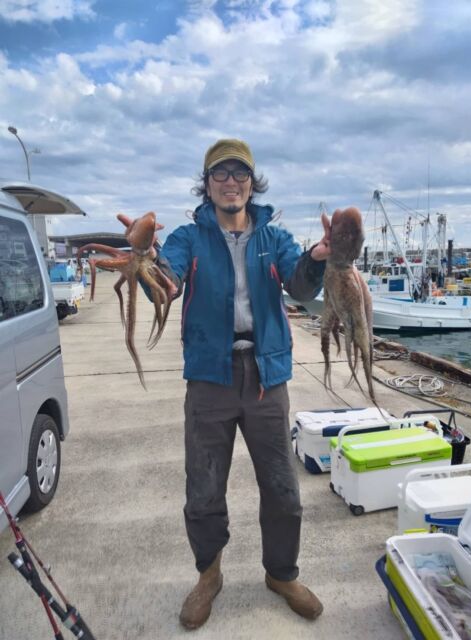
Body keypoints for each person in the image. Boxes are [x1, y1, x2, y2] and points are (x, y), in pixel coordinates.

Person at [147, 139, 333, 630]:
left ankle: (281, 574)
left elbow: (301, 286)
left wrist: (318, 257)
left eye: (240, 173)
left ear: (252, 182)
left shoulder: (275, 237)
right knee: (204, 487)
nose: (231, 182)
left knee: (283, 488)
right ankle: (209, 575)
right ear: (207, 184)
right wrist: (146, 260)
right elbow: (165, 284)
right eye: (220, 173)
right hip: (210, 377)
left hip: (266, 377)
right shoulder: (188, 237)